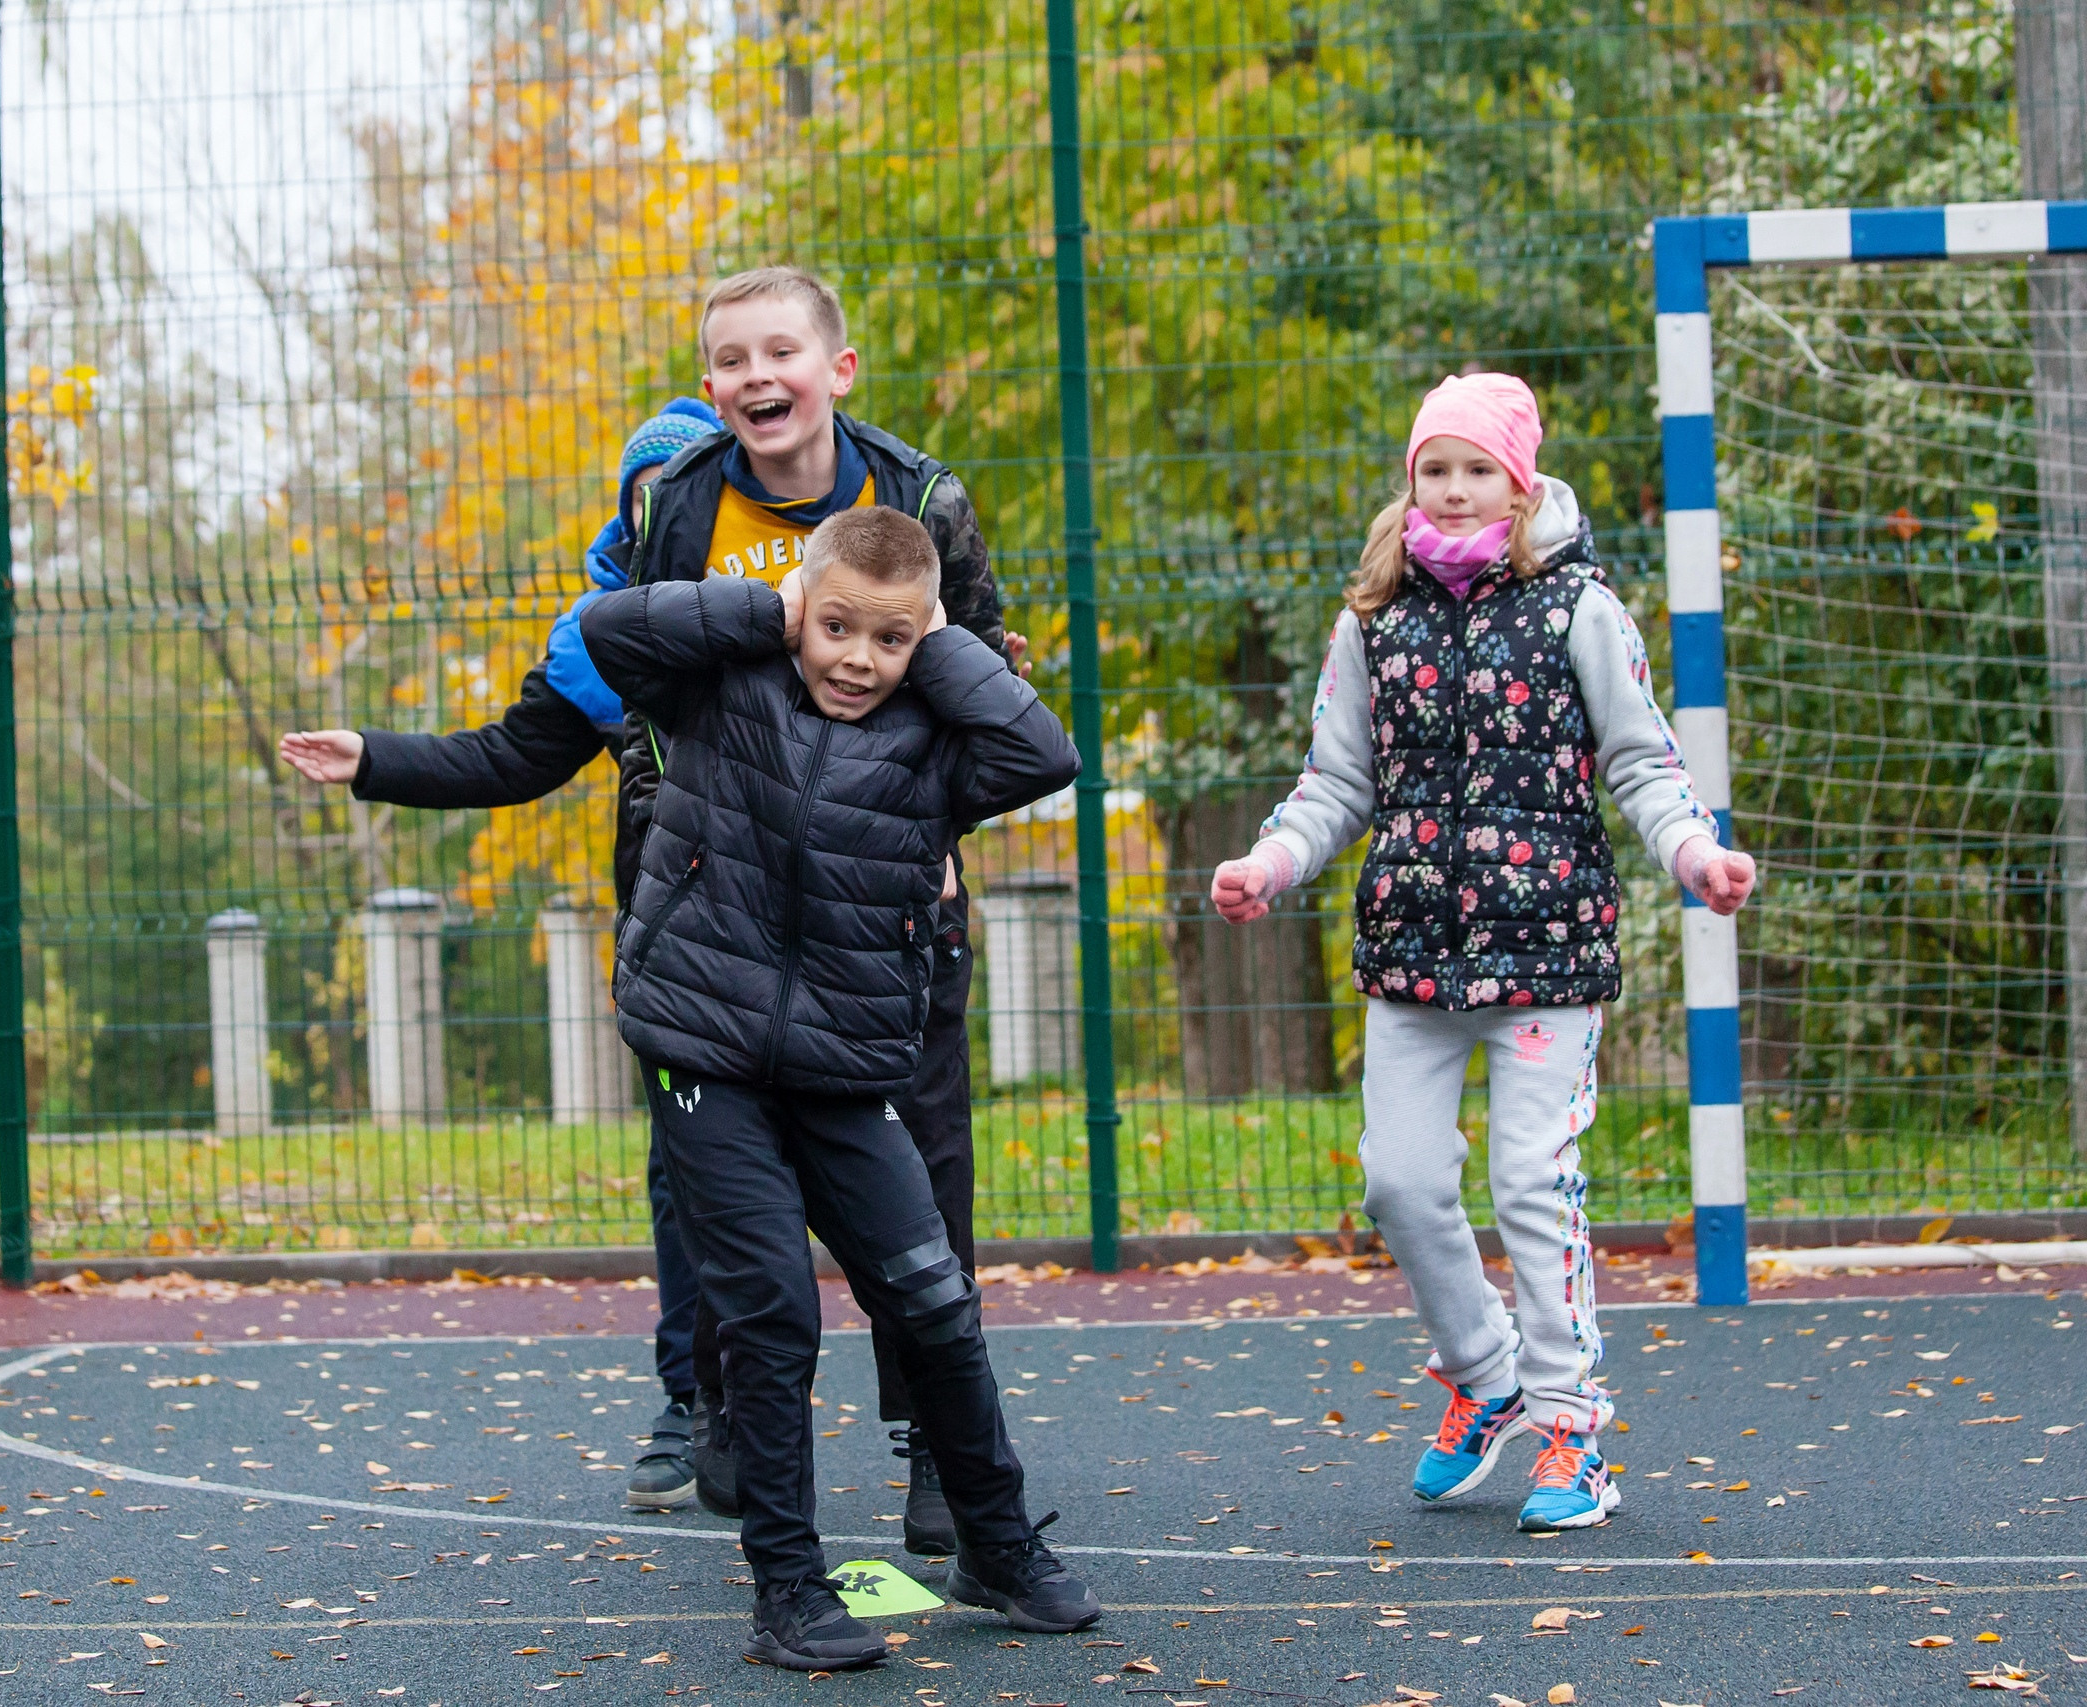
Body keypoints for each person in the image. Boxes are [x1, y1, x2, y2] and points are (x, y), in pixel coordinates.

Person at [1210, 373, 1757, 1533]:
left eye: (1477, 470)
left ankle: (1571, 1428)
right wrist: (1269, 861)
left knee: (1529, 1183)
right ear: (1410, 482)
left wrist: (1692, 852)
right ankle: (1485, 1373)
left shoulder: (1580, 610)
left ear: (1519, 483)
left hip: (1548, 950)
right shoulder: (1373, 616)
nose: (1454, 491)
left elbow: (1644, 761)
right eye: (1433, 469)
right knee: (1398, 1182)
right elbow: (1336, 779)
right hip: (1413, 951)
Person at [581, 506, 1098, 1669]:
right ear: (796, 612)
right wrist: (759, 609)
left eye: (889, 640)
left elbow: (1046, 754)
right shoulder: (719, 688)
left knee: (933, 1299)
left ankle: (994, 1545)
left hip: (844, 1068)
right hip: (702, 1052)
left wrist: (943, 635)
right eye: (835, 629)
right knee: (773, 1310)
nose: (857, 660)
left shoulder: (932, 739)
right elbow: (606, 632)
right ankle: (786, 1587)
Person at [623, 264, 1017, 1554]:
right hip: (723, 899)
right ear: (709, 389)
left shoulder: (918, 498)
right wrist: (665, 843)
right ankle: (731, 1395)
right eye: (731, 362)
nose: (757, 379)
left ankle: (931, 1448)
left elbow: (981, 682)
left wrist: (938, 839)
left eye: (779, 353)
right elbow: (645, 677)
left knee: (922, 1163)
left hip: (877, 895)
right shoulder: (678, 506)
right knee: (711, 1169)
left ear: (835, 370)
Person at [277, 398, 720, 1509]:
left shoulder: (794, 604)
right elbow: (512, 757)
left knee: (878, 1185)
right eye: (646, 497)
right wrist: (373, 757)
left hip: (824, 942)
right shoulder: (606, 634)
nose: (666, 511)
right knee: (694, 1180)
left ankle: (928, 1428)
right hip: (683, 947)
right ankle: (699, 1401)